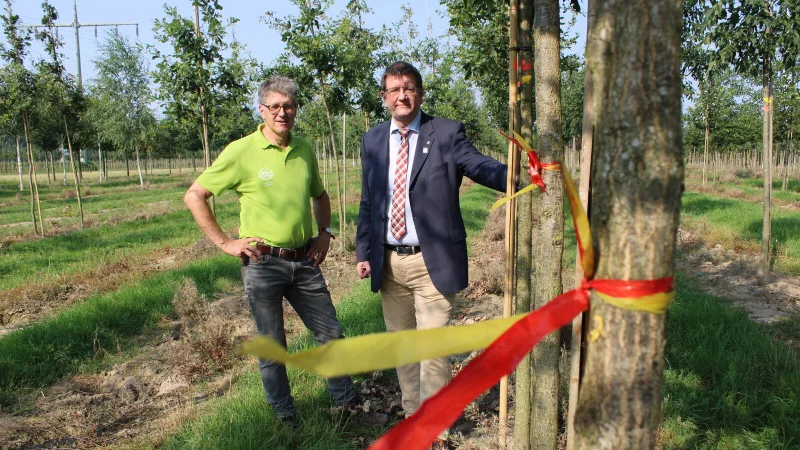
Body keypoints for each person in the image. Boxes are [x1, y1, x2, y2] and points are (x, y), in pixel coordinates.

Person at [184, 76, 360, 428]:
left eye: (289, 106)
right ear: (261, 110)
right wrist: (226, 243)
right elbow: (195, 195)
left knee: (330, 334)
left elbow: (319, 195)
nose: (283, 113)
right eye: (275, 106)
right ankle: (285, 417)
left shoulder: (304, 148)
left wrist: (324, 233)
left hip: (304, 260)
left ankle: (347, 406)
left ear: (296, 109)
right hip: (263, 263)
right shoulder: (241, 151)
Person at [356, 61, 508, 448]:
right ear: (384, 97)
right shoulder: (372, 140)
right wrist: (363, 251)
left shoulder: (445, 132)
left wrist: (515, 176)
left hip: (432, 259)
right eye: (394, 90)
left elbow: (478, 165)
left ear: (420, 93)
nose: (402, 96)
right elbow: (369, 200)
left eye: (408, 88)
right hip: (389, 263)